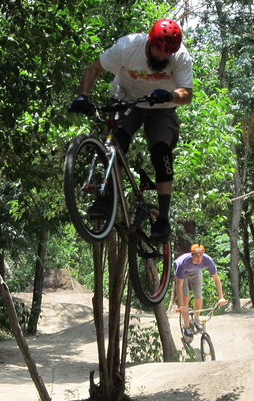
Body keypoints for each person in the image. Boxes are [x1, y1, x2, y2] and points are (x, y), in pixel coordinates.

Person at [68, 18, 194, 242]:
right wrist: (83, 95)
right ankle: (107, 198)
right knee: (114, 143)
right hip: (125, 99)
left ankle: (163, 219)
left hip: (162, 107)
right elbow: (94, 68)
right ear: (150, 41)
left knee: (161, 152)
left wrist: (170, 95)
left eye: (168, 51)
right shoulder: (128, 47)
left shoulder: (180, 56)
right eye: (159, 49)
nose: (163, 56)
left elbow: (187, 94)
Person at [175, 244, 228, 337]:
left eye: (201, 255)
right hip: (183, 273)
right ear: (192, 254)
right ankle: (186, 327)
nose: (199, 258)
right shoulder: (183, 263)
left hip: (196, 271)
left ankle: (196, 320)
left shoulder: (208, 260)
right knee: (185, 298)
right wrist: (181, 305)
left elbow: (216, 279)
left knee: (199, 297)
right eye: (196, 255)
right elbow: (179, 286)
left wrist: (221, 298)